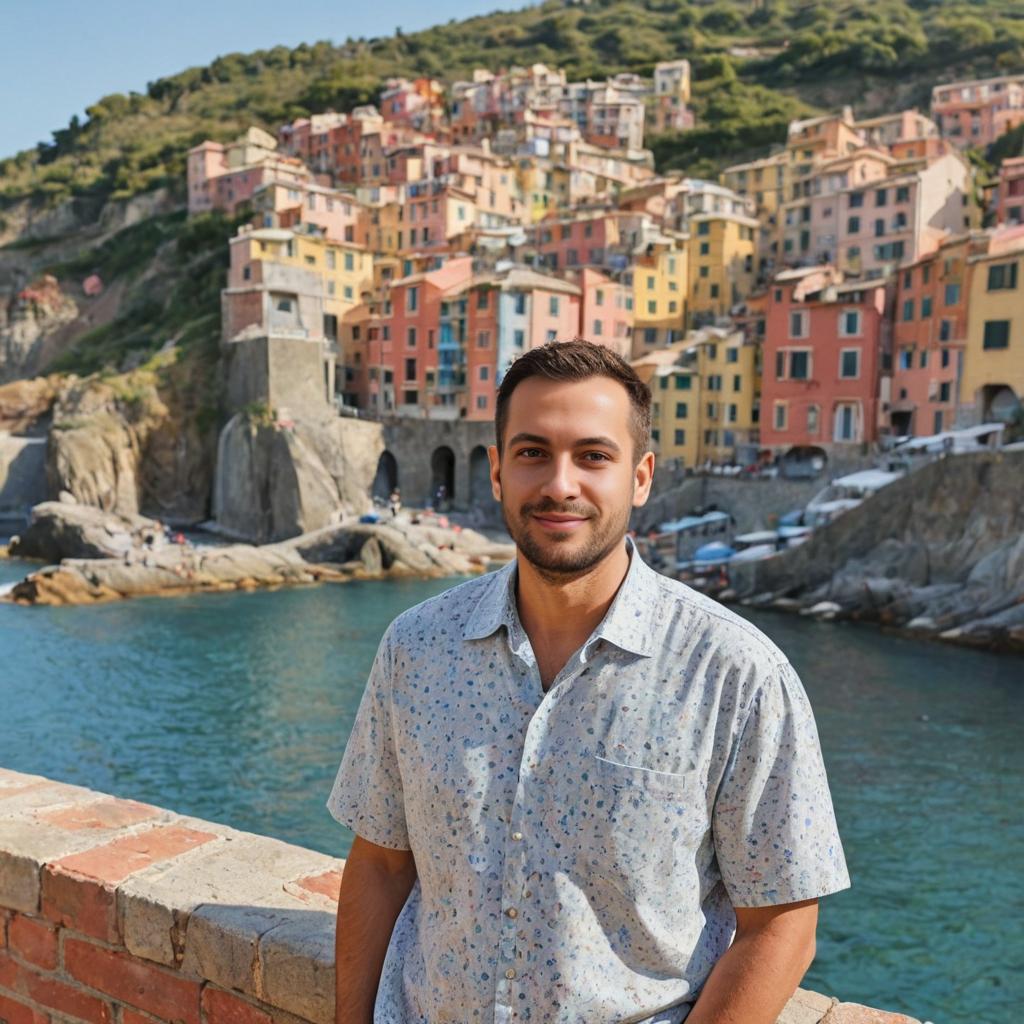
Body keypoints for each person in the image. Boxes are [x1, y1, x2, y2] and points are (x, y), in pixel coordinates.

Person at [328, 340, 849, 1024]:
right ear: (497, 473)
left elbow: (783, 924)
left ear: (641, 477)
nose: (560, 484)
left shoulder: (738, 676)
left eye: (593, 456)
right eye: (532, 452)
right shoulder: (415, 648)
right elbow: (380, 862)